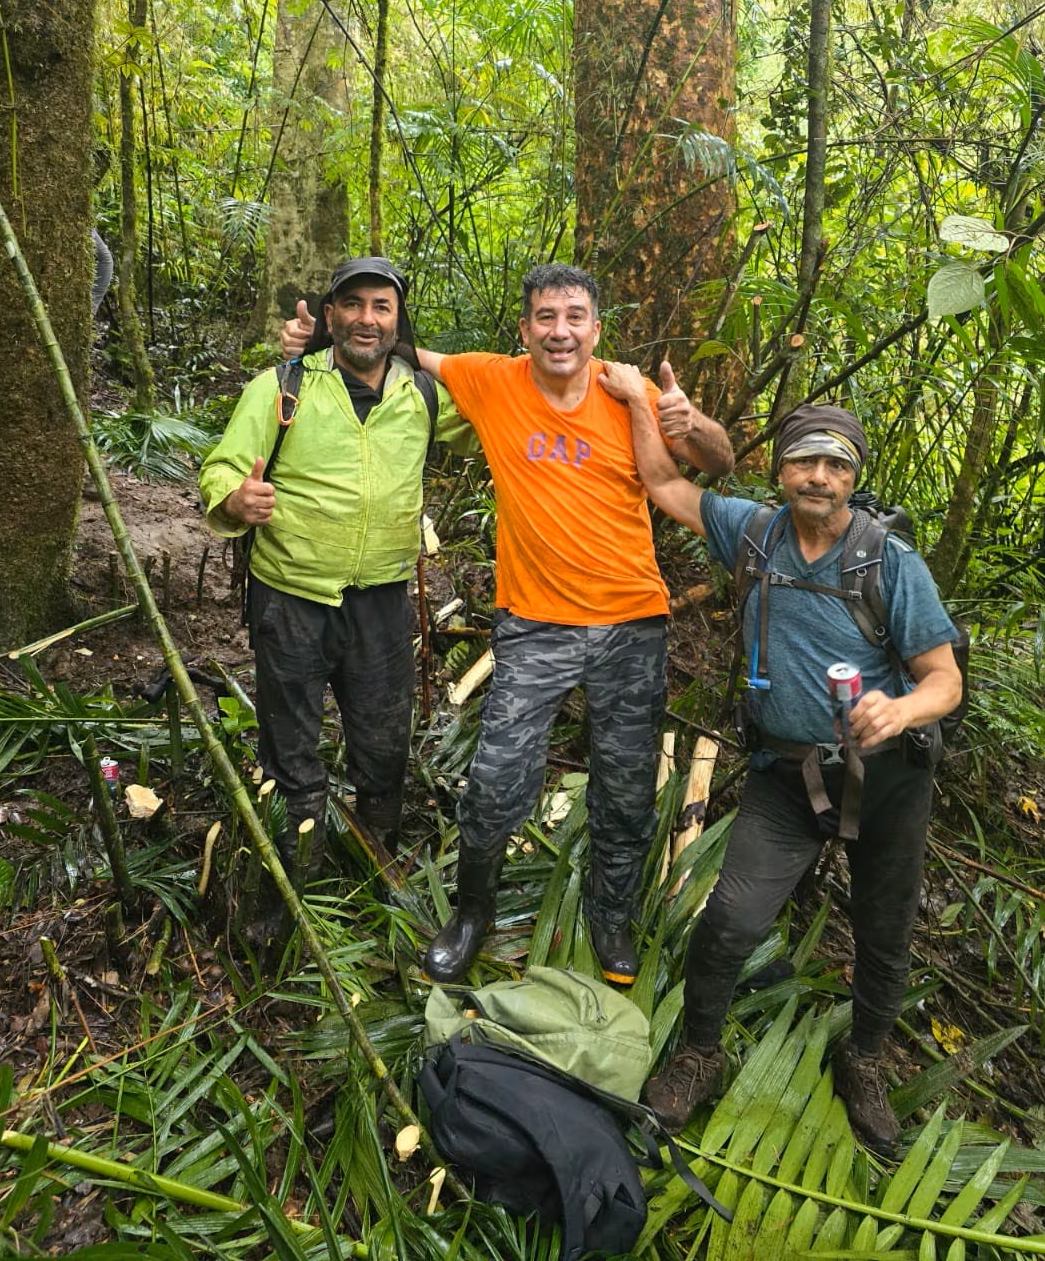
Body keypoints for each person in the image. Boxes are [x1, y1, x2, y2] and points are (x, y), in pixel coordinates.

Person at [281, 263, 734, 985]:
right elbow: (391, 346)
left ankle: (610, 921)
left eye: (575, 317)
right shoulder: (491, 378)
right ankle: (472, 914)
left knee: (622, 787)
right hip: (534, 625)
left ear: (595, 327)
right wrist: (310, 343)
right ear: (524, 331)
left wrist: (687, 419)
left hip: (632, 625)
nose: (561, 332)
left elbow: (714, 461)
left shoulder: (630, 391)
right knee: (494, 783)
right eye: (546, 318)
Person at [597, 371, 961, 1154]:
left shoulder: (888, 564)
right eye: (804, 461)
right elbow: (662, 481)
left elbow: (945, 679)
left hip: (888, 780)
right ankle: (699, 1053)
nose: (819, 477)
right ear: (782, 470)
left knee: (886, 935)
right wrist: (636, 402)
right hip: (784, 778)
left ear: (855, 476)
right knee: (728, 920)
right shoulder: (752, 531)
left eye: (835, 465)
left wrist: (899, 708)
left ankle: (862, 1060)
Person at [200, 257, 474, 914]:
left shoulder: (424, 396)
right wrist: (236, 498)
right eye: (352, 305)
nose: (366, 318)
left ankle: (368, 880)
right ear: (329, 317)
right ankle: (291, 893)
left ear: (397, 321)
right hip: (290, 595)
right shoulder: (283, 387)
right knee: (290, 752)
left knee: (383, 746)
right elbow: (224, 466)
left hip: (381, 599)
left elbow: (506, 418)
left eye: (382, 306)